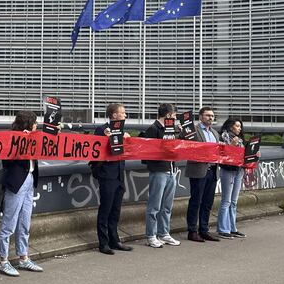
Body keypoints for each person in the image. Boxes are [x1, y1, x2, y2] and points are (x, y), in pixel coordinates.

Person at [0, 111, 43, 276]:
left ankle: (23, 257)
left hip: (30, 179)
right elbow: (6, 160)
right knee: (9, 222)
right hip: (16, 182)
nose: (37, 125)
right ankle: (3, 260)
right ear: (28, 123)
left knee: (25, 222)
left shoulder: (34, 138)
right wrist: (20, 142)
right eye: (35, 122)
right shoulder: (12, 138)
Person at [92, 103, 133, 255]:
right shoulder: (101, 129)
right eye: (123, 113)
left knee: (116, 210)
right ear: (114, 115)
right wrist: (107, 138)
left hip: (120, 175)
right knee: (105, 209)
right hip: (107, 175)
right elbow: (95, 150)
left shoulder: (123, 131)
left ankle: (114, 240)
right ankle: (103, 243)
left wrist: (127, 139)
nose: (125, 115)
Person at [141, 103, 182, 248]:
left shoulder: (169, 130)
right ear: (169, 115)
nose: (176, 119)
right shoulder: (153, 129)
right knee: (155, 205)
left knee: (167, 205)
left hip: (171, 169)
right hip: (159, 170)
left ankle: (164, 233)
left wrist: (178, 134)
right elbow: (149, 152)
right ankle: (151, 235)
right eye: (174, 116)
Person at [184, 107, 221, 242]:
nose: (210, 118)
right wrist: (181, 129)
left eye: (212, 116)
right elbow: (183, 142)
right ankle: (192, 231)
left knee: (207, 202)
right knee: (196, 201)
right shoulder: (193, 130)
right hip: (198, 170)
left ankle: (204, 230)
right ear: (200, 117)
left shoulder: (215, 133)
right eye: (207, 115)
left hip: (212, 170)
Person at [217, 117, 248, 239]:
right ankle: (223, 229)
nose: (239, 129)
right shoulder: (224, 136)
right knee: (226, 201)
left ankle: (232, 227)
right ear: (230, 126)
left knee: (234, 202)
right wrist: (232, 145)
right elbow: (223, 155)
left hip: (239, 170)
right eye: (237, 126)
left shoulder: (240, 139)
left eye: (240, 127)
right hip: (228, 170)